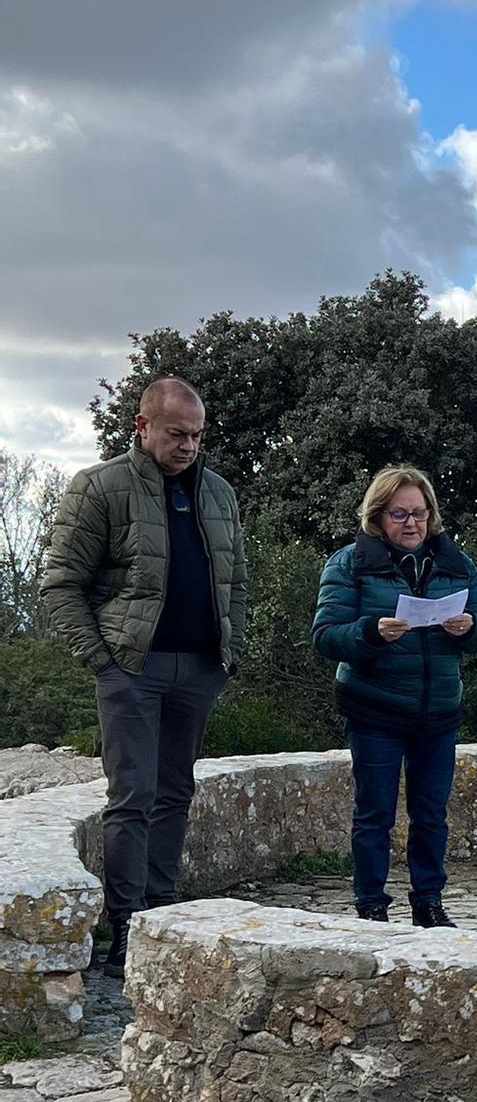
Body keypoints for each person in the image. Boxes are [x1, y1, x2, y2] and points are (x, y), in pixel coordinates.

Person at [42, 377, 247, 977]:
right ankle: (126, 931)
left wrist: (227, 653)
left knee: (176, 791)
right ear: (144, 426)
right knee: (131, 798)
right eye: (178, 433)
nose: (189, 445)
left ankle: (163, 917)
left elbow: (234, 583)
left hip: (200, 667)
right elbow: (60, 584)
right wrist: (102, 660)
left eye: (198, 434)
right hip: (131, 668)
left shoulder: (218, 493)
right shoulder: (100, 488)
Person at [312, 465, 477, 926]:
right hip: (375, 706)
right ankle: (371, 904)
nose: (412, 523)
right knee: (374, 813)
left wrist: (469, 629)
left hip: (438, 711)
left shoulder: (455, 564)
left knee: (431, 815)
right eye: (399, 514)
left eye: (420, 513)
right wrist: (370, 633)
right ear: (377, 517)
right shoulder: (349, 563)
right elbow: (325, 636)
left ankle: (429, 903)